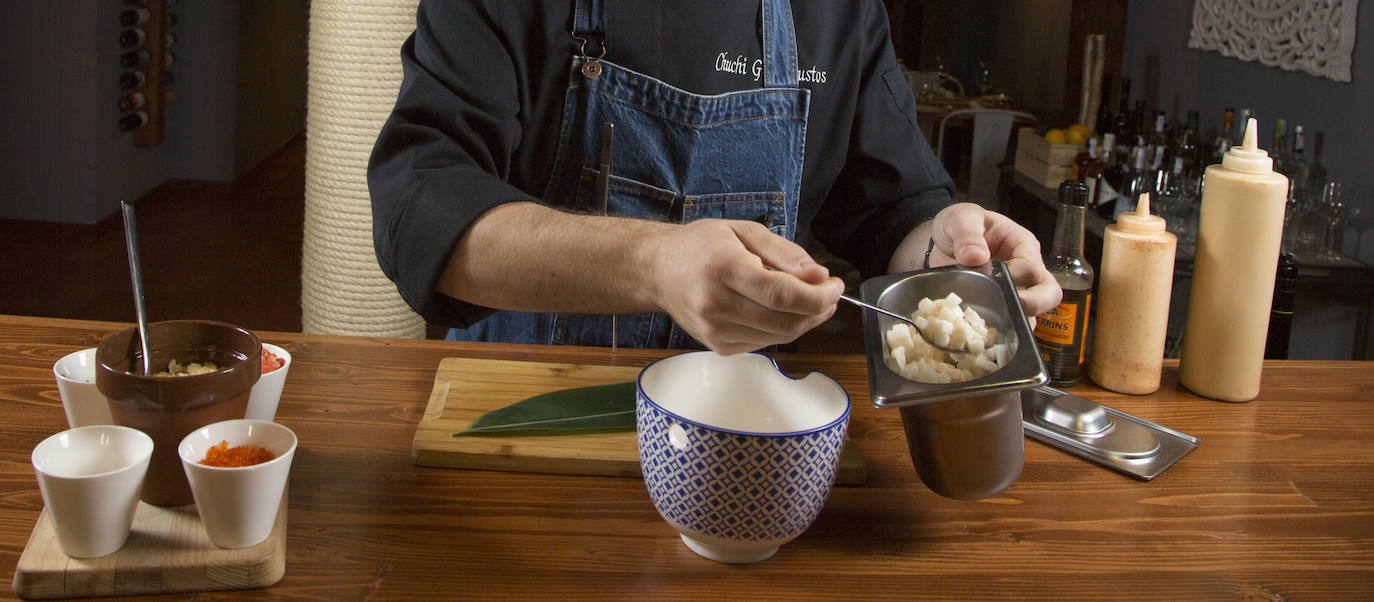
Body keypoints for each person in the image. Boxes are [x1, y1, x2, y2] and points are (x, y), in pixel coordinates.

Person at [369, 0, 1060, 355]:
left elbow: (892, 212)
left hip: (744, 429)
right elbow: (418, 208)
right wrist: (651, 263)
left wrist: (945, 255)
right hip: (522, 408)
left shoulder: (839, 12)